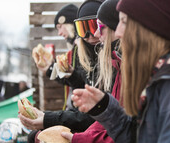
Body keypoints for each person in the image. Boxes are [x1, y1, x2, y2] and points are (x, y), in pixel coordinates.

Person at [71, 0, 170, 142]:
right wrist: (106, 109)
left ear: (148, 28)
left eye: (124, 21)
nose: (119, 31)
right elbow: (144, 138)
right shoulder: (163, 74)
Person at [19, 1, 102, 142]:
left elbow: (84, 85)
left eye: (60, 27)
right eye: (83, 29)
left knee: (35, 136)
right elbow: (82, 82)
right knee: (35, 135)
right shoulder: (81, 50)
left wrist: (48, 118)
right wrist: (53, 70)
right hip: (79, 115)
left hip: (84, 119)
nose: (59, 33)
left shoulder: (85, 50)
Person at [62, 0, 121, 142]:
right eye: (83, 29)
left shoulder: (117, 62)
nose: (91, 34)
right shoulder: (87, 57)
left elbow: (118, 122)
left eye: (96, 26)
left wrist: (49, 119)